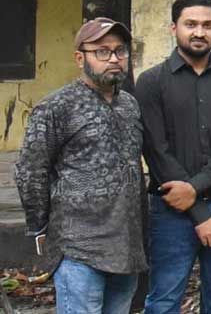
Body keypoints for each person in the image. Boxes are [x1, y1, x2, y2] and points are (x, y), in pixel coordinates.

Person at [15, 18, 145, 314]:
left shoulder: (129, 105)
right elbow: (30, 172)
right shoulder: (57, 107)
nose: (113, 58)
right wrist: (39, 227)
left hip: (127, 246)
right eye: (102, 51)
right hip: (78, 246)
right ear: (79, 58)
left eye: (120, 51)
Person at [136, 0, 211, 313]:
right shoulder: (150, 83)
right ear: (174, 28)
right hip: (170, 211)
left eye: (207, 25)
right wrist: (200, 212)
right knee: (163, 300)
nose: (199, 32)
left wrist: (195, 189)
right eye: (190, 24)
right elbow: (156, 152)